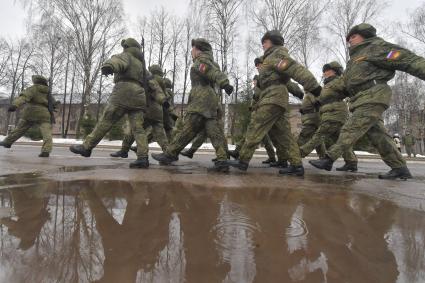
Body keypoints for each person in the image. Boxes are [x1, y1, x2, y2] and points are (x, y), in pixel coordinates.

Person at [310, 23, 425, 179]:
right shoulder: (354, 61)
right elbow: (341, 85)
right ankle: (399, 168)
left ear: (365, 35)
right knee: (378, 136)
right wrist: (320, 100)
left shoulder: (377, 48)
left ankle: (329, 159)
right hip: (360, 99)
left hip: (374, 94)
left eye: (353, 36)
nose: (349, 40)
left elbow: (409, 60)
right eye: (348, 38)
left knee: (351, 127)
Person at [224, 30, 322, 176]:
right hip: (273, 98)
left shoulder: (277, 55)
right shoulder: (270, 59)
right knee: (284, 135)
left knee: (255, 126)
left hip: (273, 98)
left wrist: (315, 88)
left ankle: (243, 160)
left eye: (265, 42)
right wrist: (300, 93)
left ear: (273, 42)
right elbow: (288, 83)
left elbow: (296, 69)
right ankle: (296, 165)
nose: (263, 45)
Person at [69, 38, 155, 169]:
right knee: (138, 129)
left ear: (126, 47)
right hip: (139, 95)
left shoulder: (126, 56)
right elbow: (150, 81)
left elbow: (117, 61)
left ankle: (87, 147)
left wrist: (108, 66)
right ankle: (143, 158)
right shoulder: (141, 64)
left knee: (107, 120)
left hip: (123, 91)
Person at [151, 38, 234, 172]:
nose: (191, 51)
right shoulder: (209, 61)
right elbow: (214, 72)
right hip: (210, 101)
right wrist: (223, 83)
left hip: (201, 101)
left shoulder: (202, 61)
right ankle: (223, 160)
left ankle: (170, 154)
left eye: (193, 48)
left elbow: (212, 72)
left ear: (199, 50)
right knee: (214, 131)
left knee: (187, 129)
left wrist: (224, 83)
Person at [299, 61, 358, 172]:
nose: (325, 73)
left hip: (334, 112)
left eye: (327, 70)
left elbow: (350, 90)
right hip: (330, 112)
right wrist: (317, 102)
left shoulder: (339, 81)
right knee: (340, 138)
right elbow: (324, 97)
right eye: (324, 71)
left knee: (319, 135)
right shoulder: (328, 84)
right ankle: (351, 162)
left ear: (335, 71)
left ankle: (297, 156)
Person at [0, 75, 55, 157]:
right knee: (47, 132)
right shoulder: (48, 92)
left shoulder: (33, 88)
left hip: (30, 111)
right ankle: (46, 151)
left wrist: (15, 105)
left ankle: (8, 142)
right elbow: (54, 104)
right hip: (44, 113)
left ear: (35, 81)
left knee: (20, 128)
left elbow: (24, 97)